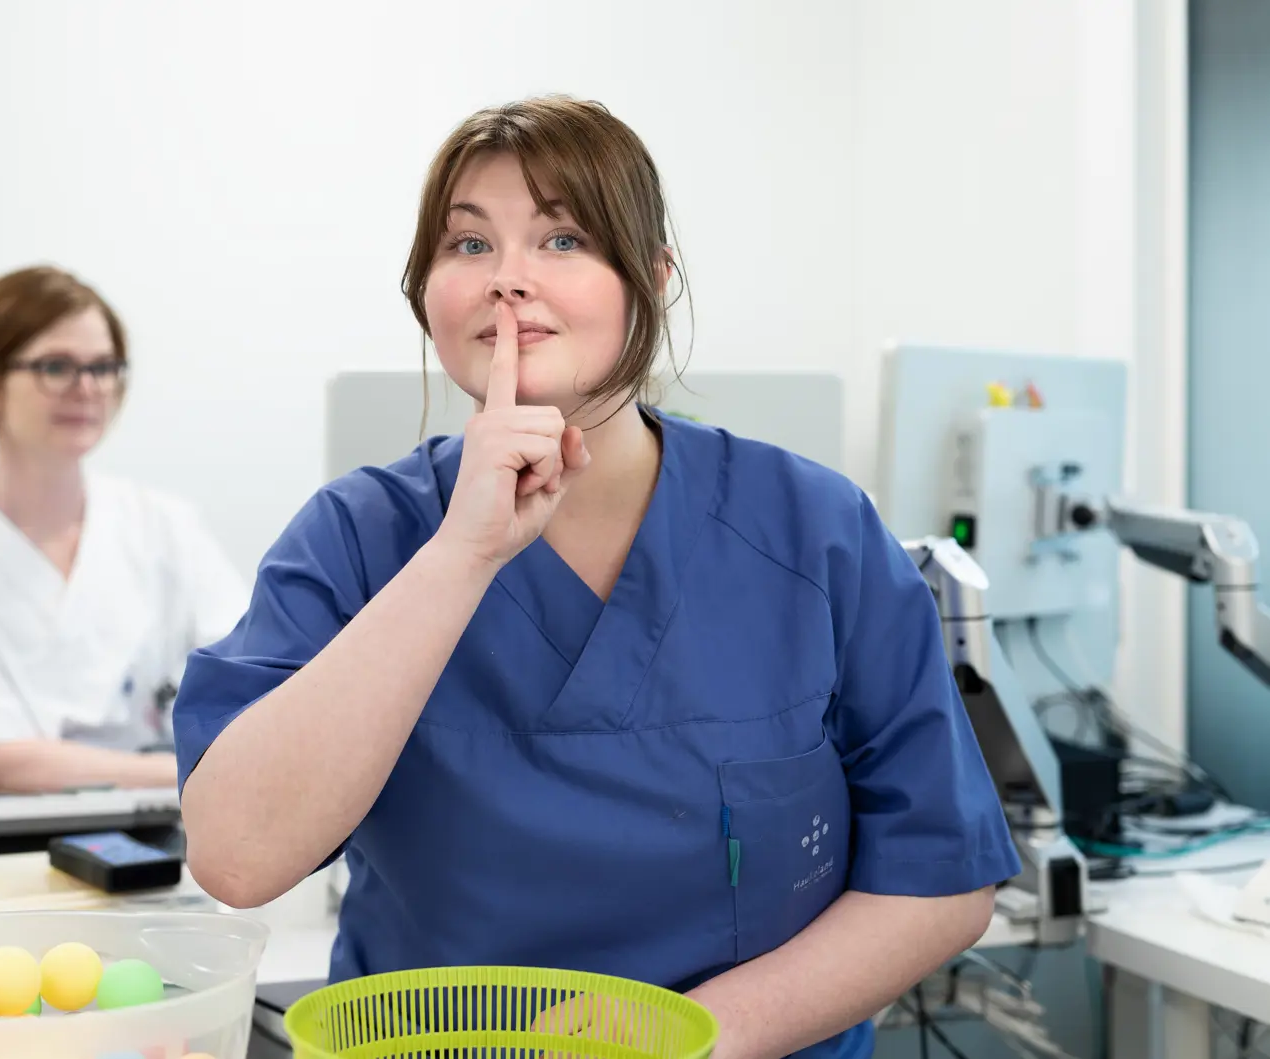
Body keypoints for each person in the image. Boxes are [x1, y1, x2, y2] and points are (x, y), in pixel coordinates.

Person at [174, 97, 1020, 1059]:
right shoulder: (358, 539)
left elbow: (939, 877)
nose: (508, 282)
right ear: (425, 294)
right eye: (466, 245)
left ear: (650, 281)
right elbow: (237, 859)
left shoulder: (814, 530)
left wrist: (698, 1037)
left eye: (564, 237)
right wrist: (461, 556)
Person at [0, 265, 248, 800]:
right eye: (57, 366)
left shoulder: (165, 528)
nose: (87, 388)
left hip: (164, 834)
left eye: (104, 367)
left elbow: (251, 683)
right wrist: (198, 771)